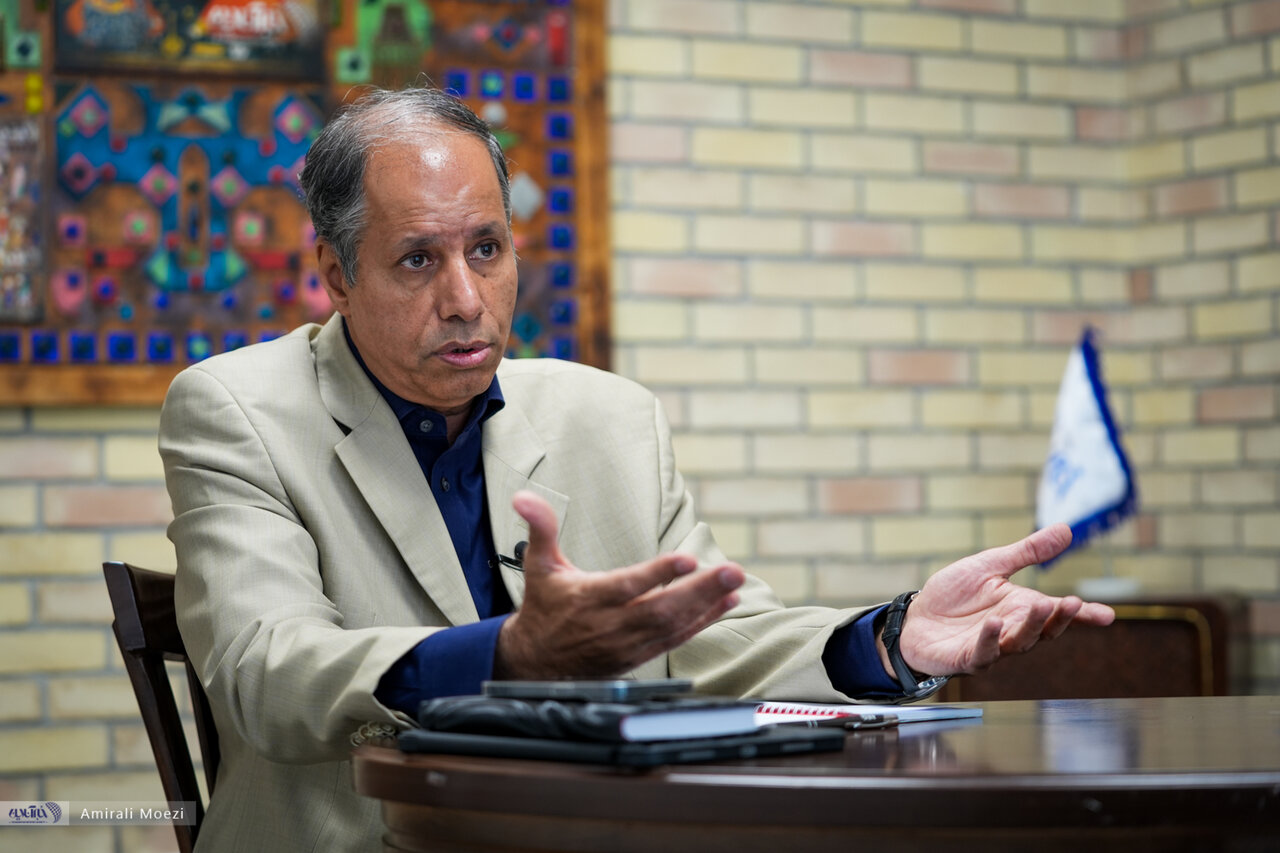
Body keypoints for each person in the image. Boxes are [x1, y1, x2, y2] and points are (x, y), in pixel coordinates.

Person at [159, 85, 1115, 853]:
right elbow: (265, 670)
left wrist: (894, 639)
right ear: (336, 273)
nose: (466, 299)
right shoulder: (237, 409)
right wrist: (506, 655)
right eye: (417, 260)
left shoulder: (610, 418)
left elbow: (716, 641)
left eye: (487, 249)